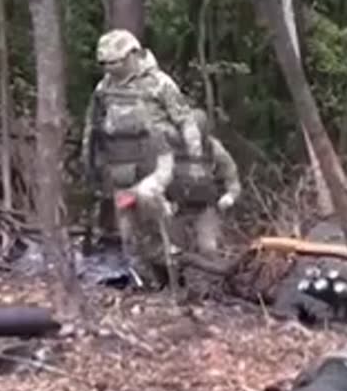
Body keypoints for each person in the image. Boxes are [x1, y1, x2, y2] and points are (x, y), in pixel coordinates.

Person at [81, 29, 202, 284]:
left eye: (116, 62)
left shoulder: (160, 83)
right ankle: (149, 280)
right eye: (105, 64)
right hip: (122, 169)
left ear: (132, 55)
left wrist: (194, 161)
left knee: (151, 203)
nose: (111, 68)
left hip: (159, 165)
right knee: (129, 229)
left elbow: (185, 121)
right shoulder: (104, 88)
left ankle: (176, 266)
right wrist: (90, 163)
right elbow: (92, 127)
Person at [164, 109, 242, 258]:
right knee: (173, 252)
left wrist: (230, 196)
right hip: (176, 208)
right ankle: (173, 280)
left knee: (209, 249)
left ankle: (214, 278)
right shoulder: (170, 149)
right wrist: (162, 202)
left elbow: (231, 174)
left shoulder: (213, 148)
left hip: (205, 208)